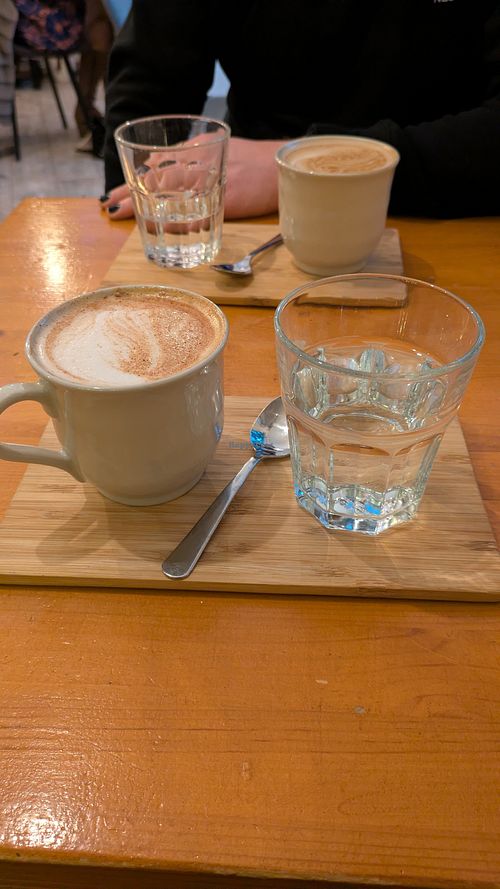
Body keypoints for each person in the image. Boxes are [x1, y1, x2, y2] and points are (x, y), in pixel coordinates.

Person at [101, 0, 500, 221]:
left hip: (449, 206)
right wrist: (136, 214)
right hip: (251, 215)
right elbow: (149, 81)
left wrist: (304, 168)